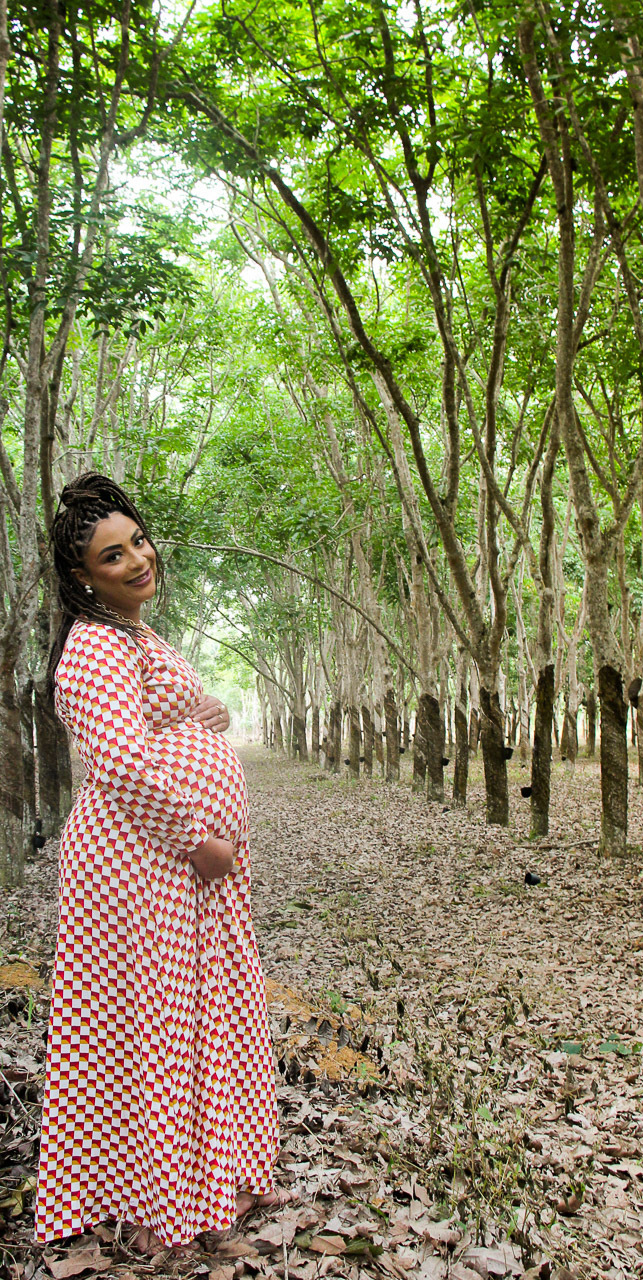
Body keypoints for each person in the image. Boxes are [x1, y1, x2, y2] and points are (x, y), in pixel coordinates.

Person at [35, 473, 281, 1253]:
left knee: (192, 1016)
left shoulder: (134, 636)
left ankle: (203, 1181)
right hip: (139, 864)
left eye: (137, 540)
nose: (138, 558)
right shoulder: (92, 647)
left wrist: (206, 715)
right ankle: (153, 1204)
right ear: (83, 577)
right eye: (114, 555)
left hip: (172, 869)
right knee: (150, 1024)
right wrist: (198, 839)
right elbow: (123, 764)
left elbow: (152, 724)